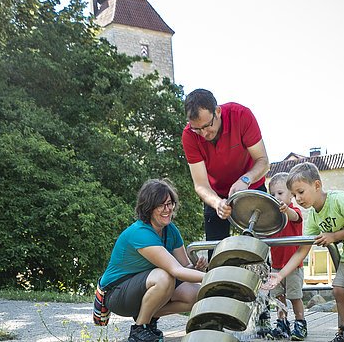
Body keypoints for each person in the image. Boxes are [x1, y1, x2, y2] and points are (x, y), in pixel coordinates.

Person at [181, 88, 271, 336]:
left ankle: (263, 318)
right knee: (216, 257)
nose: (204, 134)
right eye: (197, 129)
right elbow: (200, 184)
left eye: (207, 126)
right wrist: (216, 202)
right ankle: (216, 321)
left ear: (218, 112)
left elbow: (263, 161)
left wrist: (245, 179)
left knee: (257, 255)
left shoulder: (242, 115)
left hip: (251, 186)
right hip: (216, 196)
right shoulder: (190, 136)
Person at [263, 162, 344, 342]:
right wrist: (280, 275)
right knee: (338, 290)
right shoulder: (314, 216)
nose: (298, 198)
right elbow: (302, 250)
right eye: (295, 195)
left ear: (317, 185)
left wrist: (334, 236)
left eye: (301, 192)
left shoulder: (338, 199)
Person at [99, 179, 207, 342]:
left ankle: (149, 317)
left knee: (196, 294)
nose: (168, 209)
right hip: (117, 294)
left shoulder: (170, 230)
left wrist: (197, 269)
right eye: (161, 205)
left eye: (170, 203)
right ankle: (139, 330)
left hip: (143, 288)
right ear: (149, 208)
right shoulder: (140, 232)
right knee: (164, 276)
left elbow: (185, 267)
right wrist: (215, 278)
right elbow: (176, 271)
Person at [267, 172, 307, 341]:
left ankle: (300, 323)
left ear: (291, 194)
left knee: (295, 296)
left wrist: (286, 209)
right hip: (276, 266)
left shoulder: (294, 211)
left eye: (280, 193)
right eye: (273, 194)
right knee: (278, 298)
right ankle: (282, 323)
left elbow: (295, 217)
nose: (276, 197)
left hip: (293, 266)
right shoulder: (272, 218)